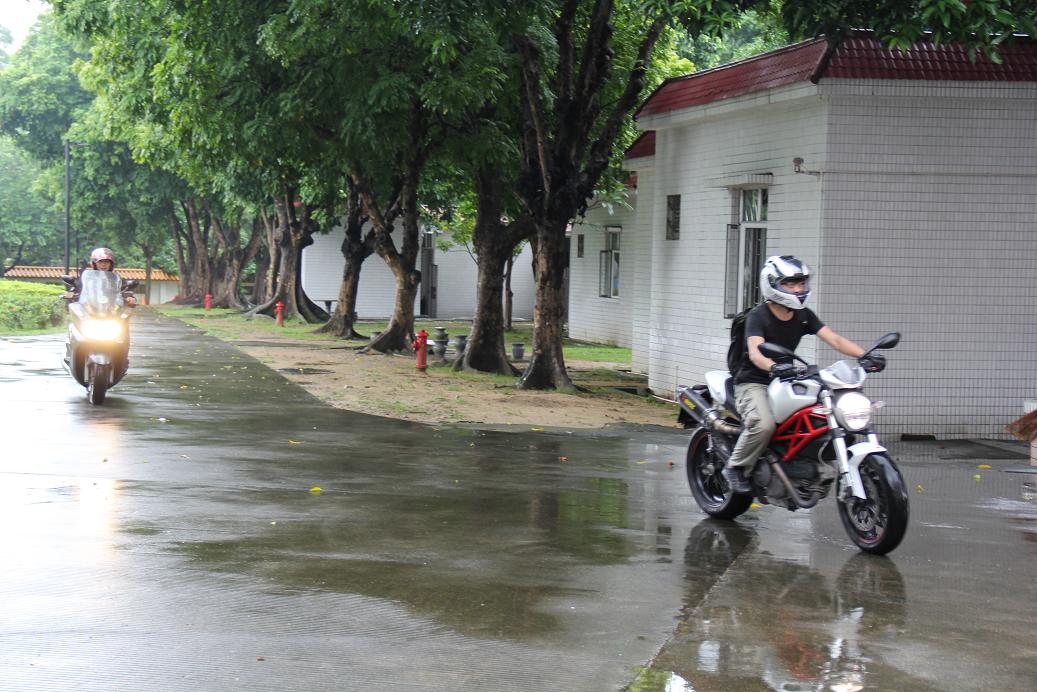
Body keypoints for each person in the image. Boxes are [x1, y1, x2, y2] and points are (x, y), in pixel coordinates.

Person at [722, 255, 885, 493]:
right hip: (754, 381)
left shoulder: (803, 315)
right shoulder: (759, 316)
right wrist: (773, 366)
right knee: (764, 425)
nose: (798, 288)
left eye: (801, 283)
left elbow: (835, 339)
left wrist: (864, 355)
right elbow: (756, 353)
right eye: (790, 284)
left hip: (786, 379)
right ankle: (735, 467)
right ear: (772, 284)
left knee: (819, 413)